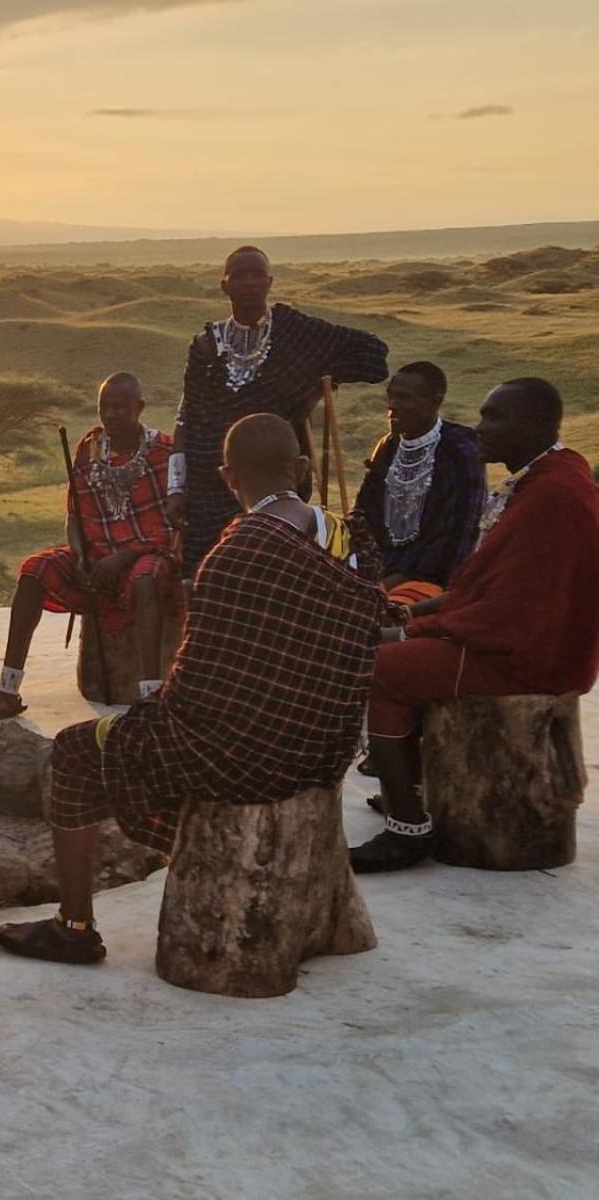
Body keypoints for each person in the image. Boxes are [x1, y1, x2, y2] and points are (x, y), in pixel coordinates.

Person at [0, 414, 385, 964]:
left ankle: (73, 925)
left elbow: (193, 699)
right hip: (324, 746)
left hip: (245, 757)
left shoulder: (238, 550)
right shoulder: (346, 537)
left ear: (227, 477)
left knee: (76, 751)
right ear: (300, 470)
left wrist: (145, 715)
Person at [351, 378, 599, 873]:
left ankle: (406, 829)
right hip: (515, 642)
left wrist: (423, 628)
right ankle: (419, 793)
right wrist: (417, 614)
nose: (480, 429)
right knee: (379, 641)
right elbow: (489, 587)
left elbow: (510, 615)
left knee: (379, 667)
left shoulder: (554, 494)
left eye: (493, 418)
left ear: (532, 426)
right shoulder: (545, 479)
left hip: (527, 661)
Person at [0, 372, 178, 722]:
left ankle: (151, 697)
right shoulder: (89, 447)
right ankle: (7, 689)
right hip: (94, 557)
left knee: (145, 577)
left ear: (139, 408)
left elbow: (171, 529)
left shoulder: (164, 453)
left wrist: (122, 557)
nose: (109, 415)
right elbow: (74, 515)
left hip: (145, 556)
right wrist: (79, 554)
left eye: (119, 407)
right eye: (103, 406)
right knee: (34, 570)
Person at [168, 246, 389, 577]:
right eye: (240, 275)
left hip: (275, 478)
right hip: (211, 481)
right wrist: (176, 487)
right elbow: (188, 417)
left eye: (258, 275)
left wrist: (314, 385)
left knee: (276, 571)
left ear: (270, 282)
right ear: (224, 285)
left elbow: (374, 358)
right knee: (210, 575)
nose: (250, 282)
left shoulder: (295, 332)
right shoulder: (205, 345)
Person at [354, 361, 486, 606]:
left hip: (434, 580)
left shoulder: (460, 450)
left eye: (404, 398)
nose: (392, 405)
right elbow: (364, 516)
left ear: (435, 401)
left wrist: (384, 585)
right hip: (378, 572)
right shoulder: (388, 446)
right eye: (391, 396)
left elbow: (458, 536)